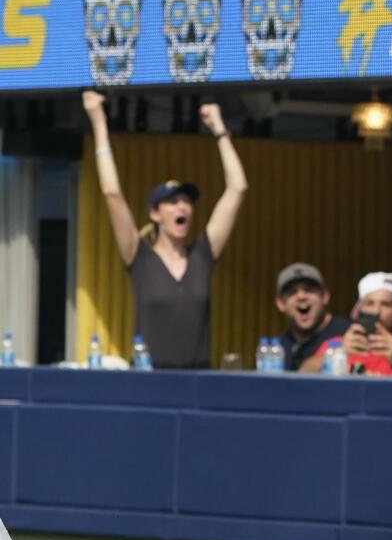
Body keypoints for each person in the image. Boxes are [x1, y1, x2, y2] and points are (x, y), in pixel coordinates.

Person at [83, 90, 247, 369]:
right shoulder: (139, 255)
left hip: (198, 380)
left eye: (187, 202)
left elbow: (238, 188)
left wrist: (220, 131)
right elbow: (111, 193)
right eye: (173, 202)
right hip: (151, 381)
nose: (182, 208)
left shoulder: (203, 255)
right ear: (155, 214)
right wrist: (99, 123)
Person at [300, 271, 392, 376]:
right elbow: (300, 379)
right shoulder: (337, 346)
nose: (376, 311)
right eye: (369, 303)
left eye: (385, 304)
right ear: (359, 309)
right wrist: (338, 353)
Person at [275, 262, 351, 371]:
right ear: (281, 303)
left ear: (325, 296)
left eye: (309, 290)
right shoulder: (278, 347)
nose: (301, 296)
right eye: (292, 292)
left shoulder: (349, 335)